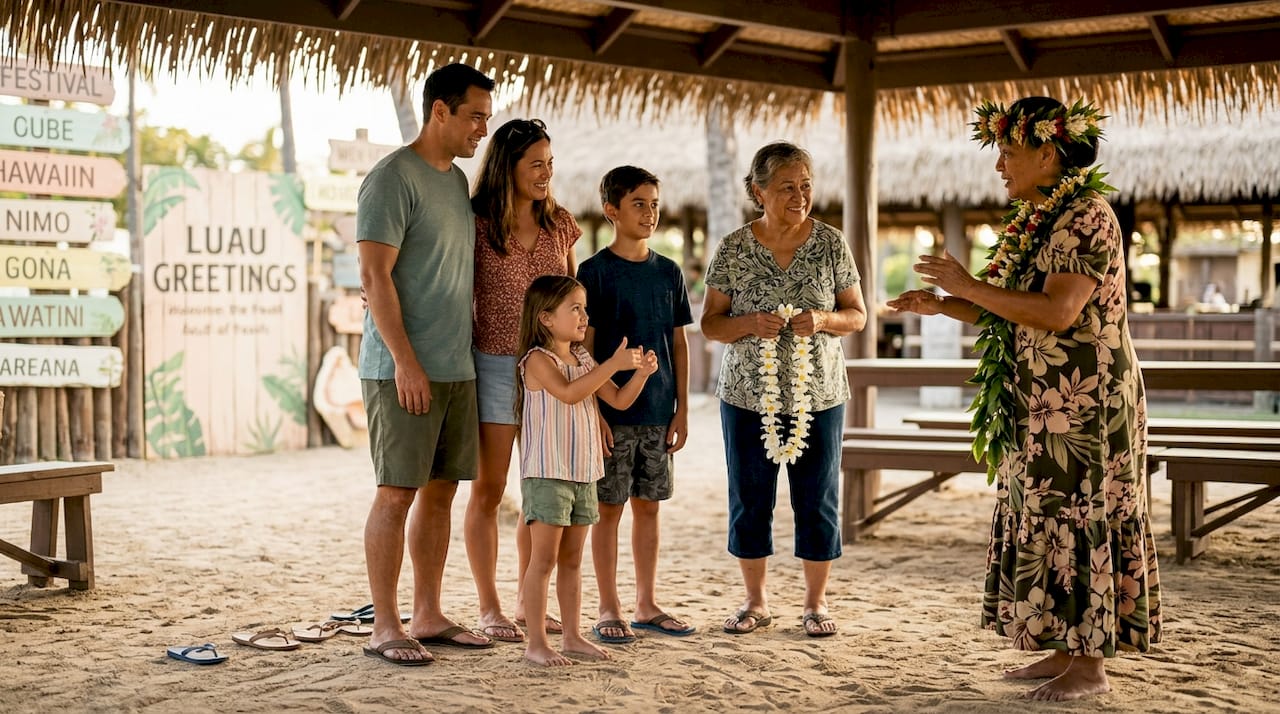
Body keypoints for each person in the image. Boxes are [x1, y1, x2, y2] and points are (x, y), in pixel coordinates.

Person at [887, 96, 1162, 701]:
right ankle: (1064, 650)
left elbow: (1059, 313)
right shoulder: (1037, 220)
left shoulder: (1087, 216)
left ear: (1047, 153)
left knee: (1080, 513)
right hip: (1039, 400)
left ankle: (1090, 667)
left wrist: (968, 284)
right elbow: (1008, 312)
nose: (999, 166)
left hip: (1085, 401)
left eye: (1009, 153)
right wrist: (943, 303)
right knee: (1045, 510)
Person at [356, 62, 496, 666]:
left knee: (441, 493)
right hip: (401, 369)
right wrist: (405, 362)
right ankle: (384, 625)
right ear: (440, 110)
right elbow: (372, 276)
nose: (482, 131)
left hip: (456, 366)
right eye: (474, 117)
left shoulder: (457, 183)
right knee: (396, 494)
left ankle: (428, 613)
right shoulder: (391, 178)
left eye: (487, 120)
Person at [701, 142, 867, 639]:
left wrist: (823, 320)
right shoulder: (733, 247)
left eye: (806, 186)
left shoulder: (832, 243)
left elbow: (856, 315)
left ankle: (815, 604)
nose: (799, 196)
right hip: (748, 396)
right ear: (759, 191)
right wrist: (749, 322)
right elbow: (710, 324)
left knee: (817, 499)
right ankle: (755, 602)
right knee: (750, 499)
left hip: (821, 395)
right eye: (787, 187)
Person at [464, 118, 582, 644]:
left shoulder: (561, 224)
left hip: (552, 372)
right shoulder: (478, 223)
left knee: (539, 491)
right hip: (494, 365)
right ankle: (489, 606)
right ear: (506, 167)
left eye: (550, 163)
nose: (546, 173)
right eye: (535, 164)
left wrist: (582, 371)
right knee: (489, 490)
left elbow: (574, 299)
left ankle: (523, 600)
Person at [577, 166, 695, 644]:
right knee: (609, 508)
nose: (650, 213)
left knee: (650, 507)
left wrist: (682, 408)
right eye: (638, 204)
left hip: (658, 413)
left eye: (654, 204)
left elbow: (679, 345)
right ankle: (609, 606)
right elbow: (582, 350)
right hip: (611, 416)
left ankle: (646, 603)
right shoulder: (593, 273)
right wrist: (594, 414)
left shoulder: (669, 271)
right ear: (612, 210)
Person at [515, 274, 658, 666]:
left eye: (584, 307)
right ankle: (536, 643)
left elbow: (618, 401)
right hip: (548, 472)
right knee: (542, 561)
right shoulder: (538, 361)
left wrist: (640, 375)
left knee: (573, 561)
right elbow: (568, 392)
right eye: (574, 308)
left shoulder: (582, 358)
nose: (584, 316)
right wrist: (612, 363)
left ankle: (573, 636)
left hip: (583, 472)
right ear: (546, 318)